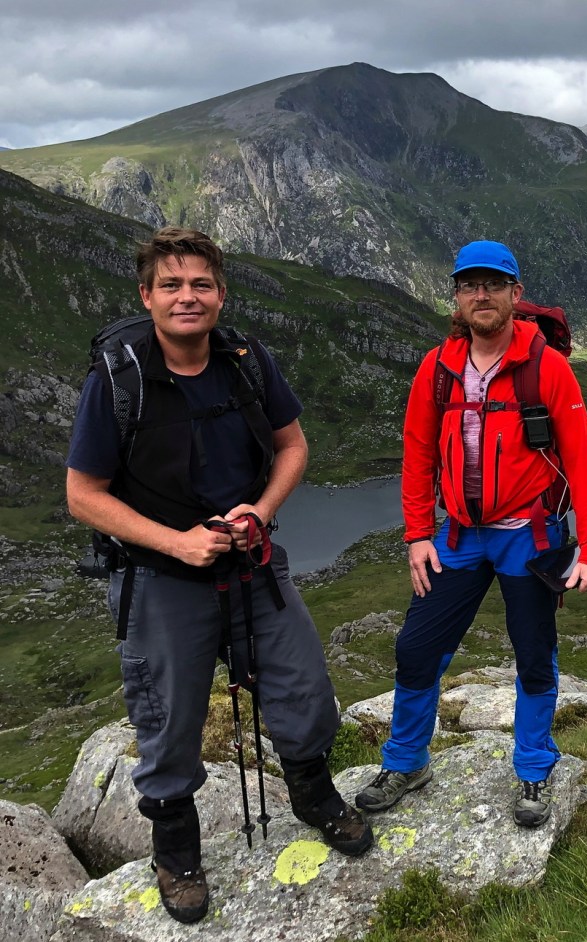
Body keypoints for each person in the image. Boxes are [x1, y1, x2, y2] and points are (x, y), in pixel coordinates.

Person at [65, 227, 372, 925]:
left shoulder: (246, 361)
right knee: (168, 717)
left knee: (301, 682)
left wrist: (261, 513)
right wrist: (177, 544)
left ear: (221, 293)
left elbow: (293, 446)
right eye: (170, 285)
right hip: (162, 578)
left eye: (200, 284)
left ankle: (313, 795)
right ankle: (176, 851)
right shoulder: (120, 376)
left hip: (251, 562)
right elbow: (83, 493)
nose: (187, 297)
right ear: (146, 297)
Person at [355, 240, 587, 827]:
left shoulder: (547, 366)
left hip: (529, 534)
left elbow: (583, 460)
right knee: (416, 647)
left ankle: (533, 770)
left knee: (533, 655)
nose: (482, 295)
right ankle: (407, 760)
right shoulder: (437, 367)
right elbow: (418, 453)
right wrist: (418, 534)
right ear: (457, 297)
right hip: (459, 534)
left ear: (515, 296)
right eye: (470, 285)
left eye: (494, 285)